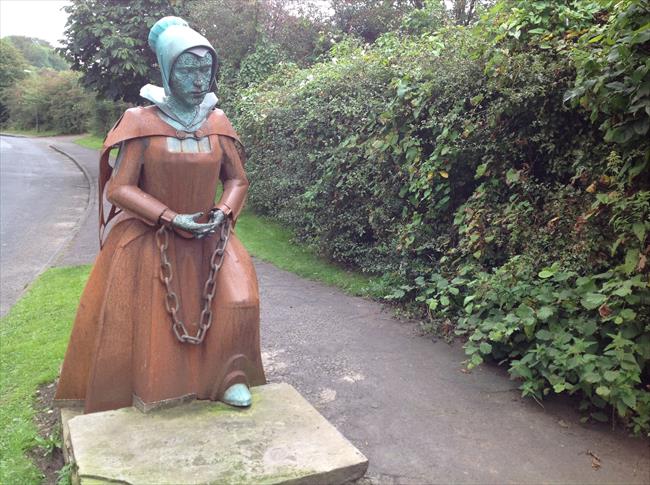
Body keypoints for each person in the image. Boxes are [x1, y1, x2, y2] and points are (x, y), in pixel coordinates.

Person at [54, 16, 266, 414]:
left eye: (205, 69)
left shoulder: (217, 121)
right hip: (153, 237)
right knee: (152, 325)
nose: (198, 79)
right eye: (187, 69)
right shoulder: (141, 122)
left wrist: (223, 211)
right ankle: (157, 387)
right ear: (168, 72)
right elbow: (119, 187)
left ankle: (229, 377)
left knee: (241, 299)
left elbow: (237, 179)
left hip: (210, 234)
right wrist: (168, 216)